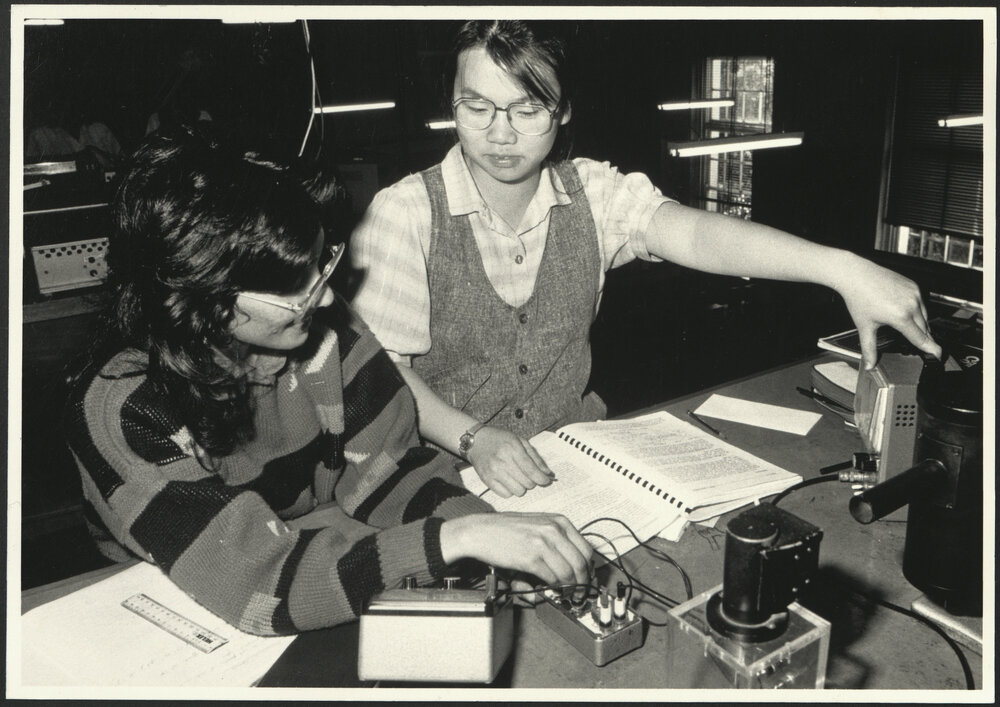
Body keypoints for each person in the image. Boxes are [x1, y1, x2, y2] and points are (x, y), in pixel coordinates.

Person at [349, 20, 942, 500]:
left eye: (527, 110)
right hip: (437, 478)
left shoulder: (593, 193)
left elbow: (696, 235)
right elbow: (379, 373)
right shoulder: (404, 212)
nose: (500, 134)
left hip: (571, 463)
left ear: (563, 112)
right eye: (476, 108)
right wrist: (473, 438)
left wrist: (843, 268)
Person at [63, 127, 592, 636]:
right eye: (296, 285)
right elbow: (261, 584)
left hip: (314, 542)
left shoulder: (320, 333)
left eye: (323, 265)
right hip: (169, 594)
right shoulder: (124, 407)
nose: (326, 298)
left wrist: (494, 542)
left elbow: (388, 469)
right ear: (205, 301)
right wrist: (459, 538)